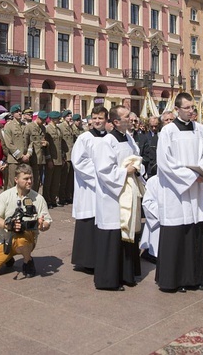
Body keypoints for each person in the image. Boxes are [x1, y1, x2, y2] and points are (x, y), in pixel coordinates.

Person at [153, 93, 203, 293]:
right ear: (177, 109)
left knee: (195, 231)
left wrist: (202, 174)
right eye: (187, 107)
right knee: (177, 232)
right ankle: (175, 279)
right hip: (175, 190)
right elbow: (165, 162)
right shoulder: (168, 131)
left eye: (192, 107)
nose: (191, 111)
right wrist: (189, 177)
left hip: (196, 189)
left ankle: (197, 277)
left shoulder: (200, 129)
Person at [91, 105, 143, 291]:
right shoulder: (106, 142)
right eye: (127, 116)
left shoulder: (129, 138)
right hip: (112, 196)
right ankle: (108, 280)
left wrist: (137, 168)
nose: (131, 118)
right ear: (115, 122)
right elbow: (104, 171)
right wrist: (125, 172)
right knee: (113, 235)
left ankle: (126, 275)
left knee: (126, 234)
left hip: (128, 191)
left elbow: (137, 157)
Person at [0, 164, 51, 277]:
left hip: (27, 238)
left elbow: (47, 222)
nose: (30, 181)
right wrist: (8, 225)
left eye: (31, 178)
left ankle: (28, 262)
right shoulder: (5, 196)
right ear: (16, 180)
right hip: (5, 239)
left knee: (21, 237)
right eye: (26, 178)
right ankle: (8, 257)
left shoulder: (39, 199)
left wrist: (42, 225)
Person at [70, 105, 108, 272]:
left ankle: (102, 257)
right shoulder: (84, 138)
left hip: (106, 186)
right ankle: (85, 260)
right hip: (89, 186)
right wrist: (100, 175)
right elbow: (78, 162)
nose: (97, 121)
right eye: (95, 118)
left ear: (106, 119)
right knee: (88, 221)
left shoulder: (110, 138)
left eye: (100, 118)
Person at [0, 105, 26, 189]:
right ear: (12, 114)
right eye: (17, 111)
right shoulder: (9, 125)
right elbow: (9, 143)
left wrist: (27, 154)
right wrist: (20, 156)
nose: (19, 113)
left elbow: (29, 141)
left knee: (23, 183)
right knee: (12, 184)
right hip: (14, 159)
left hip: (25, 159)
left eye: (20, 111)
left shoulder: (24, 125)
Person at [43, 111, 65, 207]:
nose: (59, 120)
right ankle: (47, 200)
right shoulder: (47, 129)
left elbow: (60, 145)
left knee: (56, 182)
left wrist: (63, 157)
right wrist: (48, 159)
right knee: (48, 181)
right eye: (57, 118)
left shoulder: (58, 129)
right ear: (52, 119)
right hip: (51, 159)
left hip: (59, 159)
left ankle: (53, 199)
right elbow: (46, 147)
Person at [23, 111, 48, 194]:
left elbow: (45, 140)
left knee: (38, 180)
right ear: (38, 118)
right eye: (42, 120)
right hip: (32, 157)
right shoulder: (29, 127)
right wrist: (26, 156)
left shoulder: (43, 128)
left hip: (41, 158)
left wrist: (46, 143)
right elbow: (25, 142)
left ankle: (35, 197)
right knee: (32, 180)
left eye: (45, 120)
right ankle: (29, 198)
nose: (44, 122)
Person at [58, 110, 76, 205]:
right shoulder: (61, 127)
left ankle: (68, 196)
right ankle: (61, 197)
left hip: (71, 155)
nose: (70, 117)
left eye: (70, 115)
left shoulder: (71, 127)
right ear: (64, 117)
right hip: (65, 156)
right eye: (68, 116)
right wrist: (62, 155)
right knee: (63, 179)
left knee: (70, 179)